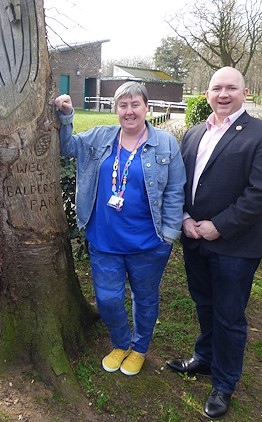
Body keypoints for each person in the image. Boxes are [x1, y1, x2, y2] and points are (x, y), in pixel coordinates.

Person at [166, 67, 262, 419]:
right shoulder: (192, 134)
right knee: (204, 305)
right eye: (216, 88)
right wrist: (185, 218)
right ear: (206, 94)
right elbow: (180, 183)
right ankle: (205, 359)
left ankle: (224, 383)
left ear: (244, 93)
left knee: (230, 317)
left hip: (235, 246)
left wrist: (218, 226)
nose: (223, 94)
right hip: (194, 240)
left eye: (231, 88)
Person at [54, 82, 186, 376]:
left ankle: (139, 348)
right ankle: (120, 343)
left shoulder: (165, 144)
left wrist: (168, 236)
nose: (129, 111)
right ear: (116, 110)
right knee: (108, 298)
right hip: (104, 243)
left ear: (146, 108)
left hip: (149, 245)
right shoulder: (101, 137)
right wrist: (65, 115)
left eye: (135, 105)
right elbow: (66, 146)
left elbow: (176, 190)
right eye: (123, 105)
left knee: (145, 298)